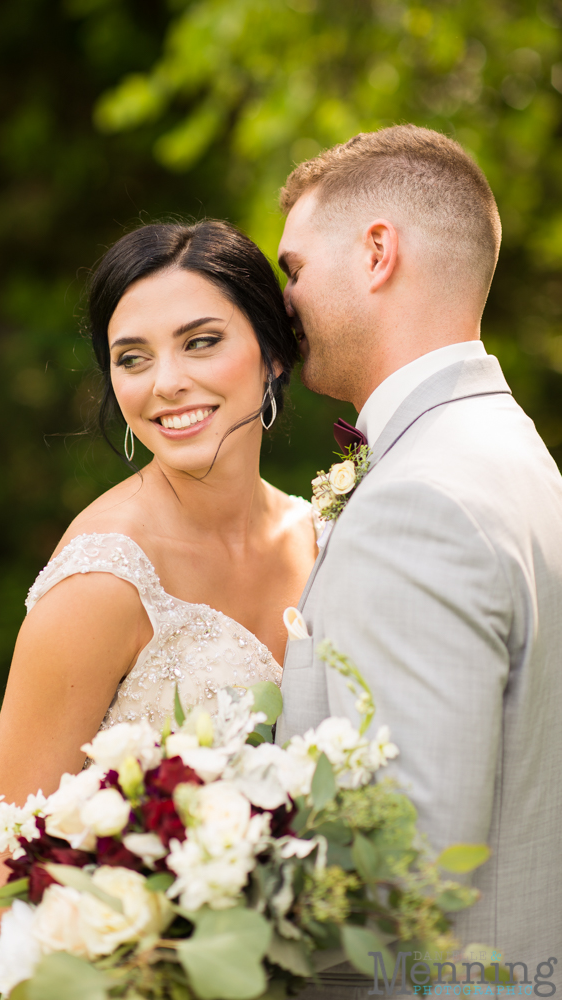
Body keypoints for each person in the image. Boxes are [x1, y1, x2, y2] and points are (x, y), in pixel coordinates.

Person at [0, 219, 320, 926]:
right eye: (132, 358)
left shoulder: (323, 538)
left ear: (272, 355)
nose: (167, 383)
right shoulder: (105, 579)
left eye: (202, 342)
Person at [276, 123, 562, 990]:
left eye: (292, 269)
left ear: (375, 253)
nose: (280, 300)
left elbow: (415, 855)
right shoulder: (514, 453)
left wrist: (180, 921)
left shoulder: (419, 498)